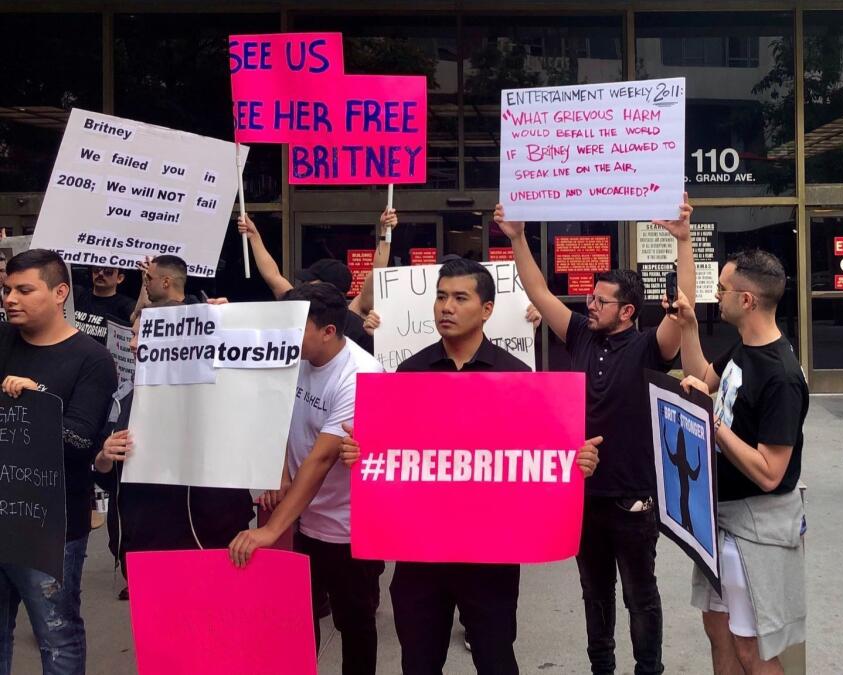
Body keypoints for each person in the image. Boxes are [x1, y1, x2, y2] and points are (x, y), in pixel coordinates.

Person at [339, 257, 602, 674]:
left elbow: (537, 458)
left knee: (496, 660)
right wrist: (361, 453)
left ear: (486, 309)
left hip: (490, 558)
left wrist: (575, 462)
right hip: (420, 556)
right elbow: (392, 459)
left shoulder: (515, 376)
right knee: (420, 663)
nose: (446, 307)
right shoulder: (409, 375)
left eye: (460, 298)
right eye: (441, 297)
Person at [494, 196, 694, 675]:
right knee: (594, 593)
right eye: (591, 297)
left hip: (634, 497)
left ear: (626, 310)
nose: (589, 304)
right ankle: (600, 666)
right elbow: (539, 291)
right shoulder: (582, 334)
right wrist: (519, 238)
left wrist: (683, 242)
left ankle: (649, 668)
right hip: (583, 494)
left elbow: (682, 311)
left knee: (640, 596)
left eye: (600, 300)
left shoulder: (650, 346)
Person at [227, 282, 385, 675]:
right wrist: (279, 471)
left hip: (347, 526)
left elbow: (320, 461)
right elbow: (280, 417)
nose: (285, 337)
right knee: (298, 616)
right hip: (303, 515)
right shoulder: (296, 357)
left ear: (328, 331)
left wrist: (270, 530)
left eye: (295, 327)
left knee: (354, 623)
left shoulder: (360, 375)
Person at [671, 249, 808, 674]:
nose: (717, 296)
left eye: (722, 289)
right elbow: (702, 379)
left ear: (746, 300)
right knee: (719, 633)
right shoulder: (743, 348)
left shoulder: (781, 376)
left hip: (757, 526)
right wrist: (689, 327)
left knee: (753, 648)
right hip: (719, 519)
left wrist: (714, 428)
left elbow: (771, 472)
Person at [0, 249, 118, 675]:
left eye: (24, 289)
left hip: (51, 527)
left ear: (59, 293)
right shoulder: (2, 340)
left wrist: (37, 402)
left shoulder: (92, 359)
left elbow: (78, 441)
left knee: (57, 635)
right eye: (7, 288)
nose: (11, 298)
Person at [93, 300, 255, 600]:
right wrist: (105, 456)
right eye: (132, 334)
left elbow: (255, 372)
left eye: (141, 335)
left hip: (209, 540)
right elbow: (107, 474)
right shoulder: (128, 396)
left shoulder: (218, 387)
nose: (132, 344)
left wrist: (230, 323)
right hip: (146, 543)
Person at [238, 211, 395, 354]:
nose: (305, 285)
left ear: (328, 287)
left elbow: (377, 273)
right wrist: (254, 236)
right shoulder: (301, 305)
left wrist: (384, 234)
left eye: (310, 281)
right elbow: (273, 276)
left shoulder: (354, 312)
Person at [72, 267, 136, 344]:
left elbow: (136, 317)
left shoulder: (126, 304)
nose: (100, 273)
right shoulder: (77, 294)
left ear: (120, 278)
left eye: (108, 271)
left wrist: (146, 281)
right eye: (96, 269)